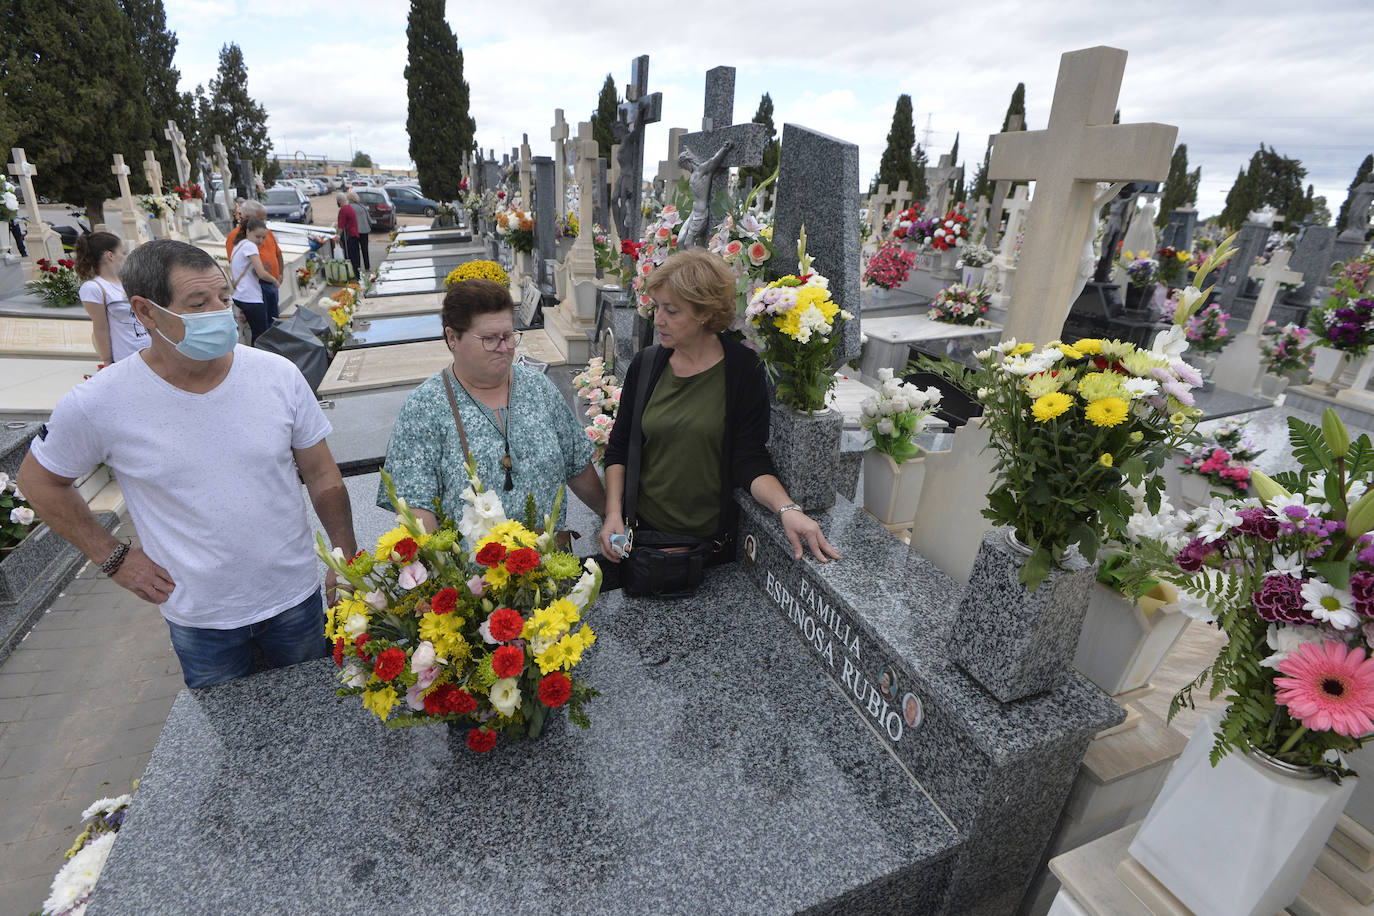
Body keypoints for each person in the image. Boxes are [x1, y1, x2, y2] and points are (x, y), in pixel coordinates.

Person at [17, 239, 358, 689]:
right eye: (198, 304)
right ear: (146, 312)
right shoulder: (100, 403)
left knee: (318, 722)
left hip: (294, 601)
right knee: (232, 748)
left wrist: (344, 556)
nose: (221, 314)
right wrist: (112, 557)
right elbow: (38, 481)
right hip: (201, 620)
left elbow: (321, 474)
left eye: (223, 298)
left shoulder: (276, 375)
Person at [599, 249, 840, 567]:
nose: (658, 320)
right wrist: (613, 514)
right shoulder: (646, 365)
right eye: (657, 307)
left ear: (704, 312)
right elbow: (619, 446)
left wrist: (788, 509)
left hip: (708, 551)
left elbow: (749, 458)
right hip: (644, 540)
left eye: (670, 311)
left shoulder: (742, 371)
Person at [379, 278, 605, 535]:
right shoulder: (424, 409)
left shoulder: (538, 389)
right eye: (489, 339)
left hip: (548, 568)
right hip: (473, 574)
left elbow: (577, 465)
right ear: (452, 337)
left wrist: (610, 516)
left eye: (509, 336)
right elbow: (416, 509)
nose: (505, 348)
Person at [75, 231, 149, 363]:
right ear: (110, 255)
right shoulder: (93, 288)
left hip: (152, 352)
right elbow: (101, 328)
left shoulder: (128, 280)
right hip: (127, 356)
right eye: (123, 253)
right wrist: (108, 361)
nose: (126, 257)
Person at [225, 200, 283, 323]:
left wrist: (280, 274)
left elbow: (278, 253)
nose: (263, 223)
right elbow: (237, 265)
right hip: (259, 287)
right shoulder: (235, 237)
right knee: (264, 326)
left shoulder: (265, 232)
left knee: (274, 322)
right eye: (260, 219)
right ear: (247, 218)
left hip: (272, 285)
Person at [228, 218, 277, 343]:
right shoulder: (250, 246)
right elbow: (261, 274)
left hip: (240, 295)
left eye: (263, 238)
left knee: (254, 333)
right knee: (261, 336)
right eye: (257, 236)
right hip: (251, 297)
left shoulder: (238, 245)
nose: (260, 241)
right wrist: (274, 280)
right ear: (248, 231)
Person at [346, 190, 372, 273]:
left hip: (355, 231)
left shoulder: (349, 207)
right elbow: (369, 219)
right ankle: (367, 266)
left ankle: (357, 266)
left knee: (356, 249)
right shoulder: (363, 207)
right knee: (365, 249)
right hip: (365, 230)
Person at [335, 192, 360, 277]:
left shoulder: (343, 209)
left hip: (348, 235)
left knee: (349, 256)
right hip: (354, 233)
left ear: (339, 200)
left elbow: (341, 225)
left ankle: (351, 274)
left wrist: (338, 235)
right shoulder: (349, 207)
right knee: (355, 255)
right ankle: (356, 273)